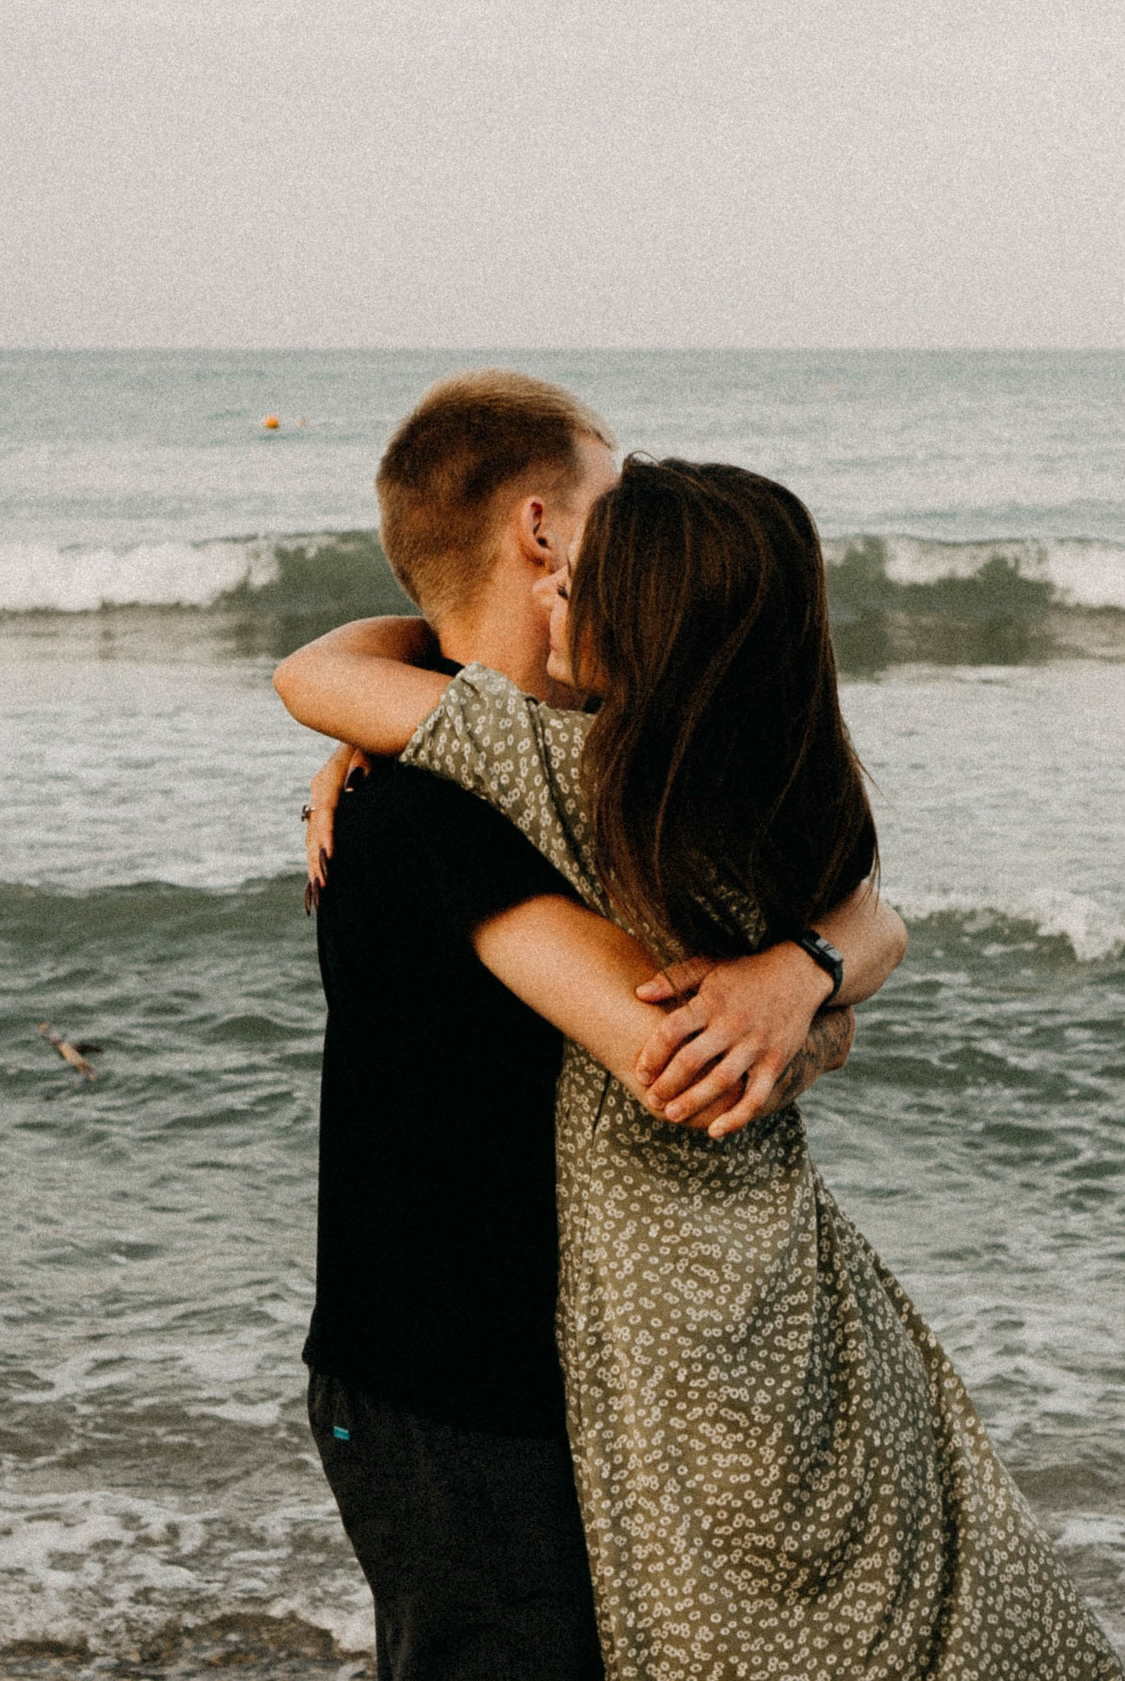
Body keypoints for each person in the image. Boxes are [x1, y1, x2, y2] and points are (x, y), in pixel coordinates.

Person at [278, 447, 1125, 1679]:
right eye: (589, 524)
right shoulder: (748, 789)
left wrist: (800, 987)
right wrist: (814, 985)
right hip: (527, 1362)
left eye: (606, 567)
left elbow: (309, 674)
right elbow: (853, 930)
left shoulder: (552, 765)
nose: (575, 572)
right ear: (534, 529)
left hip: (656, 1338)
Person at [292, 371, 908, 1681]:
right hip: (453, 1389)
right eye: (617, 500)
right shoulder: (428, 803)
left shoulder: (611, 770)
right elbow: (664, 1045)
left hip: (566, 1382)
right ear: (543, 536)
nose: (644, 530)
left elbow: (866, 909)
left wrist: (802, 968)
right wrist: (803, 1008)